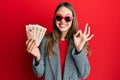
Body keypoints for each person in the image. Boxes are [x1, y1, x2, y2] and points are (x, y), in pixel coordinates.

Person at [26, 2, 94, 80]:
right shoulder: (46, 41)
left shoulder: (79, 41)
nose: (63, 21)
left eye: (67, 18)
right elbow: (39, 74)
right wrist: (38, 57)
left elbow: (84, 74)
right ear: (55, 19)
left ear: (73, 20)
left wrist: (79, 50)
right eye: (59, 17)